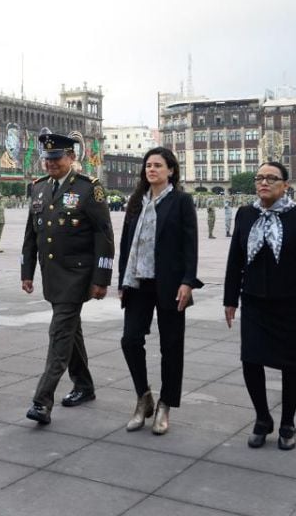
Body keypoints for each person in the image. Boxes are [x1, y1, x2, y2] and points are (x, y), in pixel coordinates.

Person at [223, 161, 296, 451]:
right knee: (250, 359)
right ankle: (262, 417)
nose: (263, 183)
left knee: (292, 365)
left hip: (292, 302)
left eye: (271, 178)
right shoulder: (245, 214)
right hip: (254, 300)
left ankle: (288, 422)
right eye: (259, 178)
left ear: (285, 185)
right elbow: (235, 260)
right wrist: (230, 299)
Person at [21, 132, 114, 425]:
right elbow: (30, 235)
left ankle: (42, 401)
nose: (50, 164)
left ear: (72, 158)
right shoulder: (38, 188)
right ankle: (84, 385)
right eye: (47, 159)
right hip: (52, 276)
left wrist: (101, 278)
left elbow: (104, 236)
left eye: (56, 158)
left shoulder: (89, 189)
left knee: (59, 335)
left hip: (77, 277)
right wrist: (27, 272)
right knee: (71, 332)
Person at [118, 148, 201, 435]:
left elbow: (190, 245)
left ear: (170, 171)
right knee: (130, 340)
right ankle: (144, 398)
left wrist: (188, 281)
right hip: (138, 282)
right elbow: (127, 244)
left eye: (157, 165)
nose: (151, 169)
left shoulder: (180, 201)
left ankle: (166, 404)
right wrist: (122, 281)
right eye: (148, 165)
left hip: (170, 283)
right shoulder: (137, 202)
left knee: (171, 347)